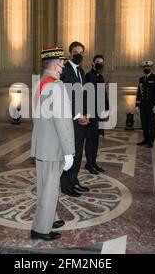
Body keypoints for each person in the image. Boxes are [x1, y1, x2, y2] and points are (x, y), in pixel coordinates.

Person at [30, 47, 75, 241]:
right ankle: (41, 229)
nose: (63, 66)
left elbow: (39, 117)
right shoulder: (56, 86)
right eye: (62, 63)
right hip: (54, 147)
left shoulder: (40, 83)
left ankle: (49, 218)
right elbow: (62, 122)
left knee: (45, 186)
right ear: (56, 65)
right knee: (49, 188)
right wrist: (68, 152)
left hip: (42, 145)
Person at [60, 41, 90, 197]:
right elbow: (64, 97)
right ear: (70, 53)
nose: (79, 55)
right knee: (69, 152)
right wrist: (77, 115)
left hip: (79, 119)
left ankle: (74, 180)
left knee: (78, 151)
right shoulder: (64, 71)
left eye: (81, 53)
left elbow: (82, 96)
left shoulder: (81, 72)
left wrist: (85, 114)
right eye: (76, 52)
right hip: (69, 119)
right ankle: (66, 185)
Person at [85, 55, 110, 175]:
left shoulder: (101, 77)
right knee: (90, 139)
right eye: (98, 62)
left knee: (96, 139)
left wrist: (107, 109)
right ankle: (89, 164)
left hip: (99, 112)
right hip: (91, 112)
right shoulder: (88, 76)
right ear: (93, 63)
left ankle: (93, 162)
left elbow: (103, 94)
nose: (100, 64)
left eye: (101, 62)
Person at [135, 61, 155, 148]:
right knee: (144, 123)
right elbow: (139, 92)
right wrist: (137, 105)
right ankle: (146, 139)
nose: (146, 68)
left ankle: (151, 141)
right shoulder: (141, 79)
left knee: (151, 124)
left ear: (151, 68)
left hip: (151, 105)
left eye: (148, 67)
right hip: (143, 105)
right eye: (145, 67)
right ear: (143, 68)